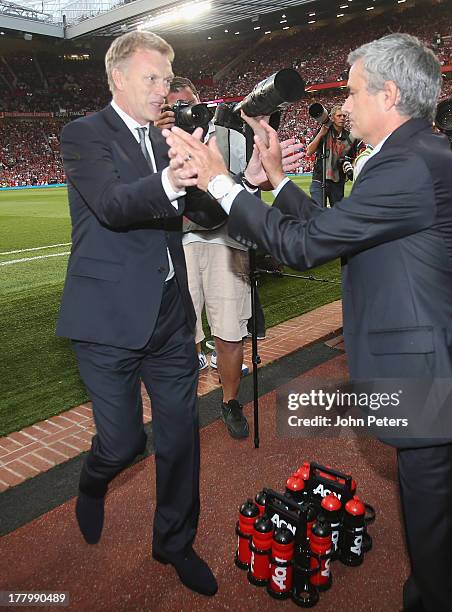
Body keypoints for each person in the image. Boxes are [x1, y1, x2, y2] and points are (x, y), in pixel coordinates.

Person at [164, 33, 452, 611]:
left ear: (389, 93)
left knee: (444, 563)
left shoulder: (410, 163)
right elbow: (344, 227)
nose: (342, 107)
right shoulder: (415, 155)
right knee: (440, 550)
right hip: (445, 376)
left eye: (350, 93)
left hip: (436, 387)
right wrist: (277, 182)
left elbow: (305, 248)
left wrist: (222, 181)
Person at [57, 31, 223, 596]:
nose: (163, 90)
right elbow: (113, 204)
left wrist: (230, 182)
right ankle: (94, 479)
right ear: (118, 79)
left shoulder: (167, 138)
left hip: (170, 320)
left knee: (180, 436)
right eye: (151, 79)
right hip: (107, 323)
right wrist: (172, 178)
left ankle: (174, 542)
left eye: (167, 80)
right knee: (125, 442)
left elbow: (200, 211)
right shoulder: (84, 134)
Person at [157, 76, 252, 439]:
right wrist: (156, 137)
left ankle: (229, 402)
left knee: (230, 331)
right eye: (175, 104)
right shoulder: (154, 139)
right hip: (179, 244)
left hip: (225, 241)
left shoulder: (227, 130)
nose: (184, 109)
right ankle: (186, 405)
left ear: (201, 101)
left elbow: (246, 184)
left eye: (189, 101)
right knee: (183, 333)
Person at [306, 104, 354, 207]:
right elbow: (309, 151)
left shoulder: (350, 137)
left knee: (337, 214)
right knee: (317, 211)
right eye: (339, 116)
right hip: (319, 178)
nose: (342, 118)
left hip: (338, 181)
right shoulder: (323, 130)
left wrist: (348, 164)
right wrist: (321, 134)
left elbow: (353, 158)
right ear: (332, 118)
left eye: (344, 116)